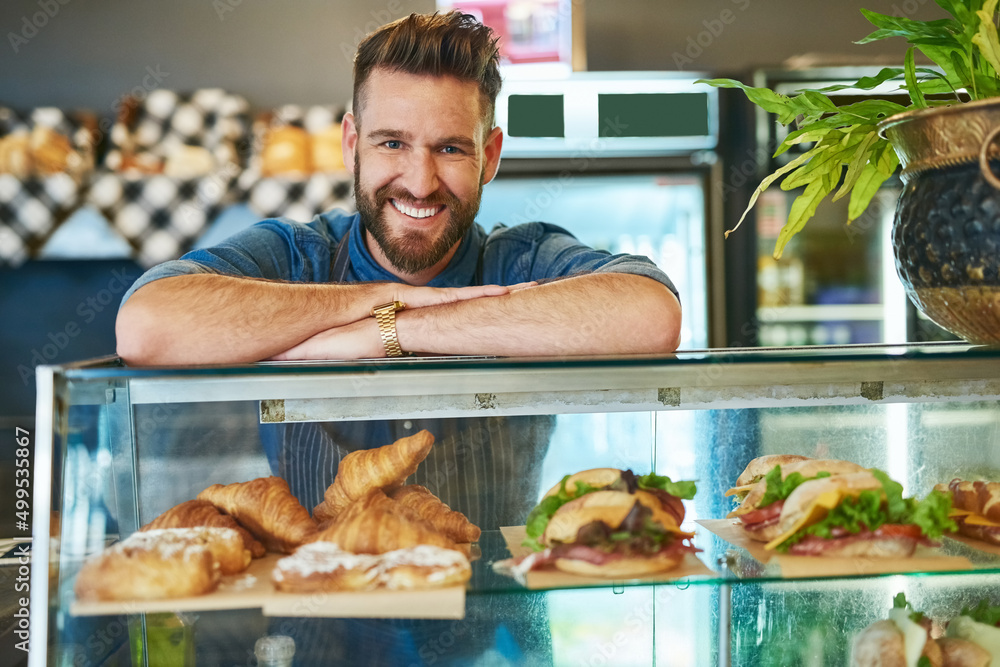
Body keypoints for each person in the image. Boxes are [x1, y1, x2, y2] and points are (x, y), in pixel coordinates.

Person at [113, 11, 683, 665]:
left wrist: (392, 330)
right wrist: (376, 298)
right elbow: (146, 323)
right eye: (391, 143)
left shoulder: (522, 260)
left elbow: (651, 316)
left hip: (498, 644)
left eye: (450, 148)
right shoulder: (293, 257)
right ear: (351, 141)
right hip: (319, 639)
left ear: (489, 154)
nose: (419, 181)